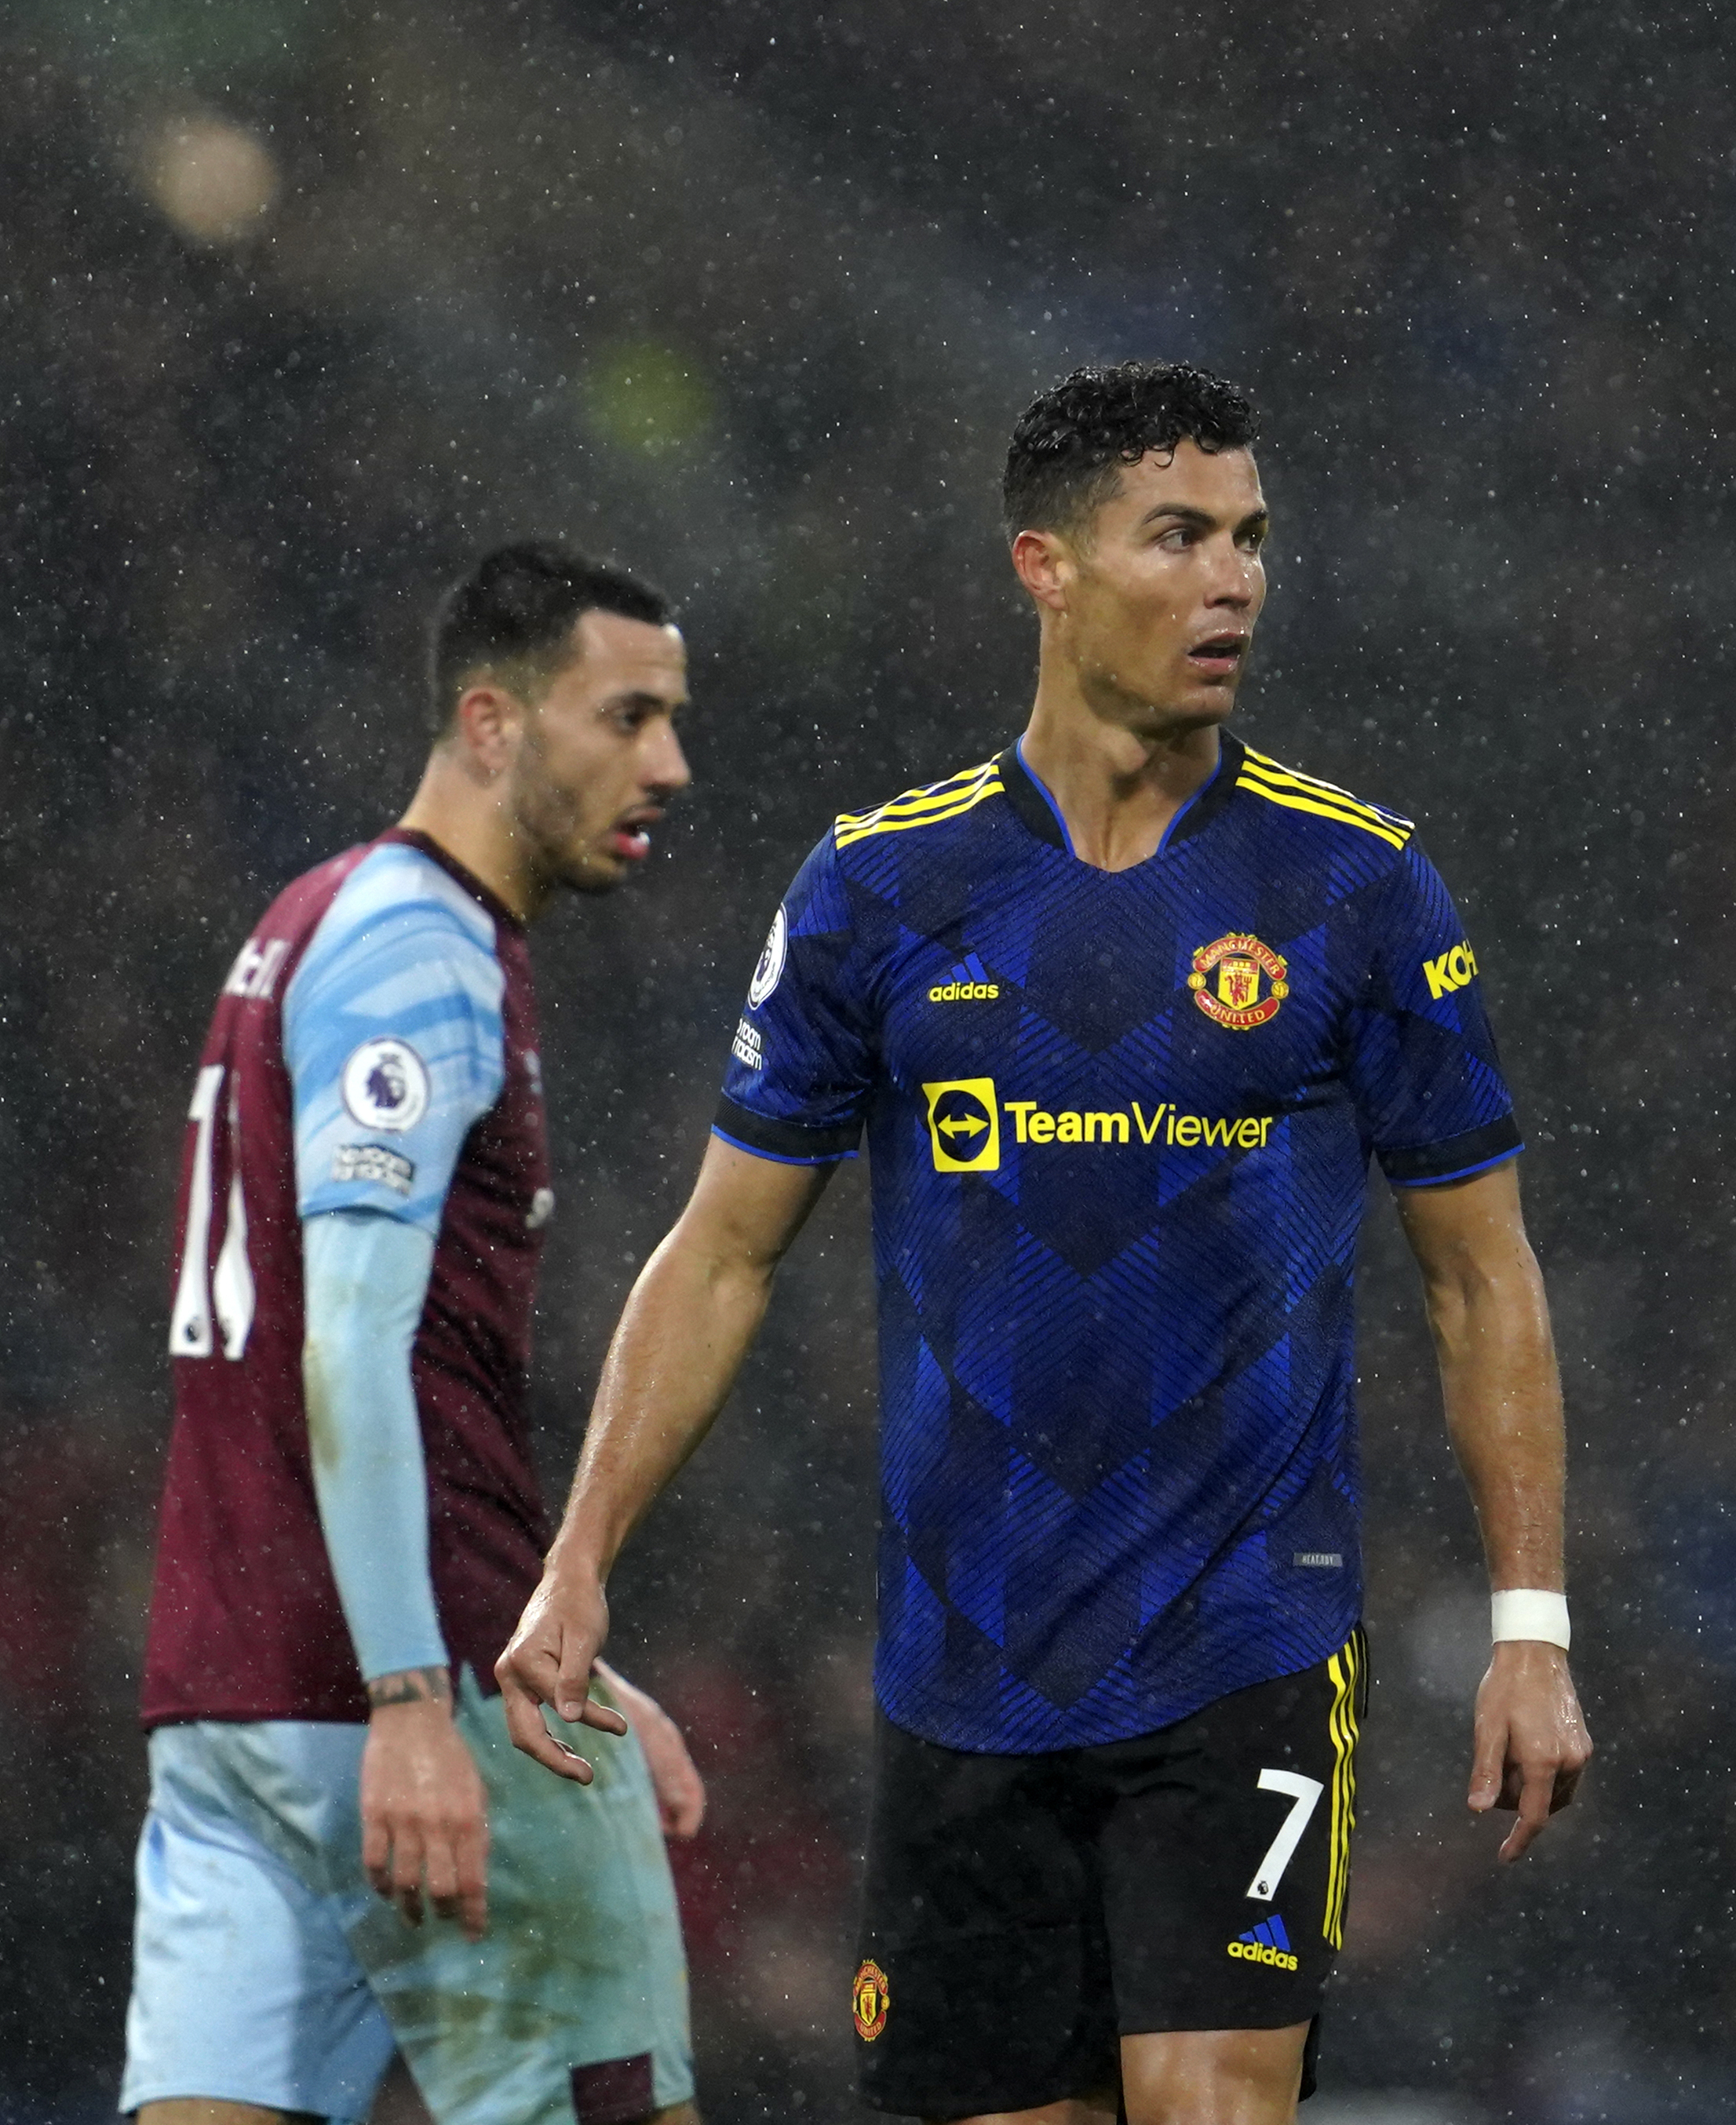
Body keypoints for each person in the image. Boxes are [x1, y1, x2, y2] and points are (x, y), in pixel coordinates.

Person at [498, 362, 1595, 2125]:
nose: (1232, 578)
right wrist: (580, 1555)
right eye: (1178, 535)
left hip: (1244, 1638)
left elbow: (1482, 1273)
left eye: (1250, 538)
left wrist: (1529, 1622)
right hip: (965, 1663)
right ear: (1048, 566)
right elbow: (720, 1252)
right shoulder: (879, 889)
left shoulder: (1354, 886)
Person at [126, 543, 710, 2125]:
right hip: (415, 1697)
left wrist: (564, 1641)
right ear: (492, 721)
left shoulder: (309, 918)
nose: (667, 762)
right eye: (628, 713)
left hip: (232, 1699)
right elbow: (351, 1345)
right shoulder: (417, 954)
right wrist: (411, 1689)